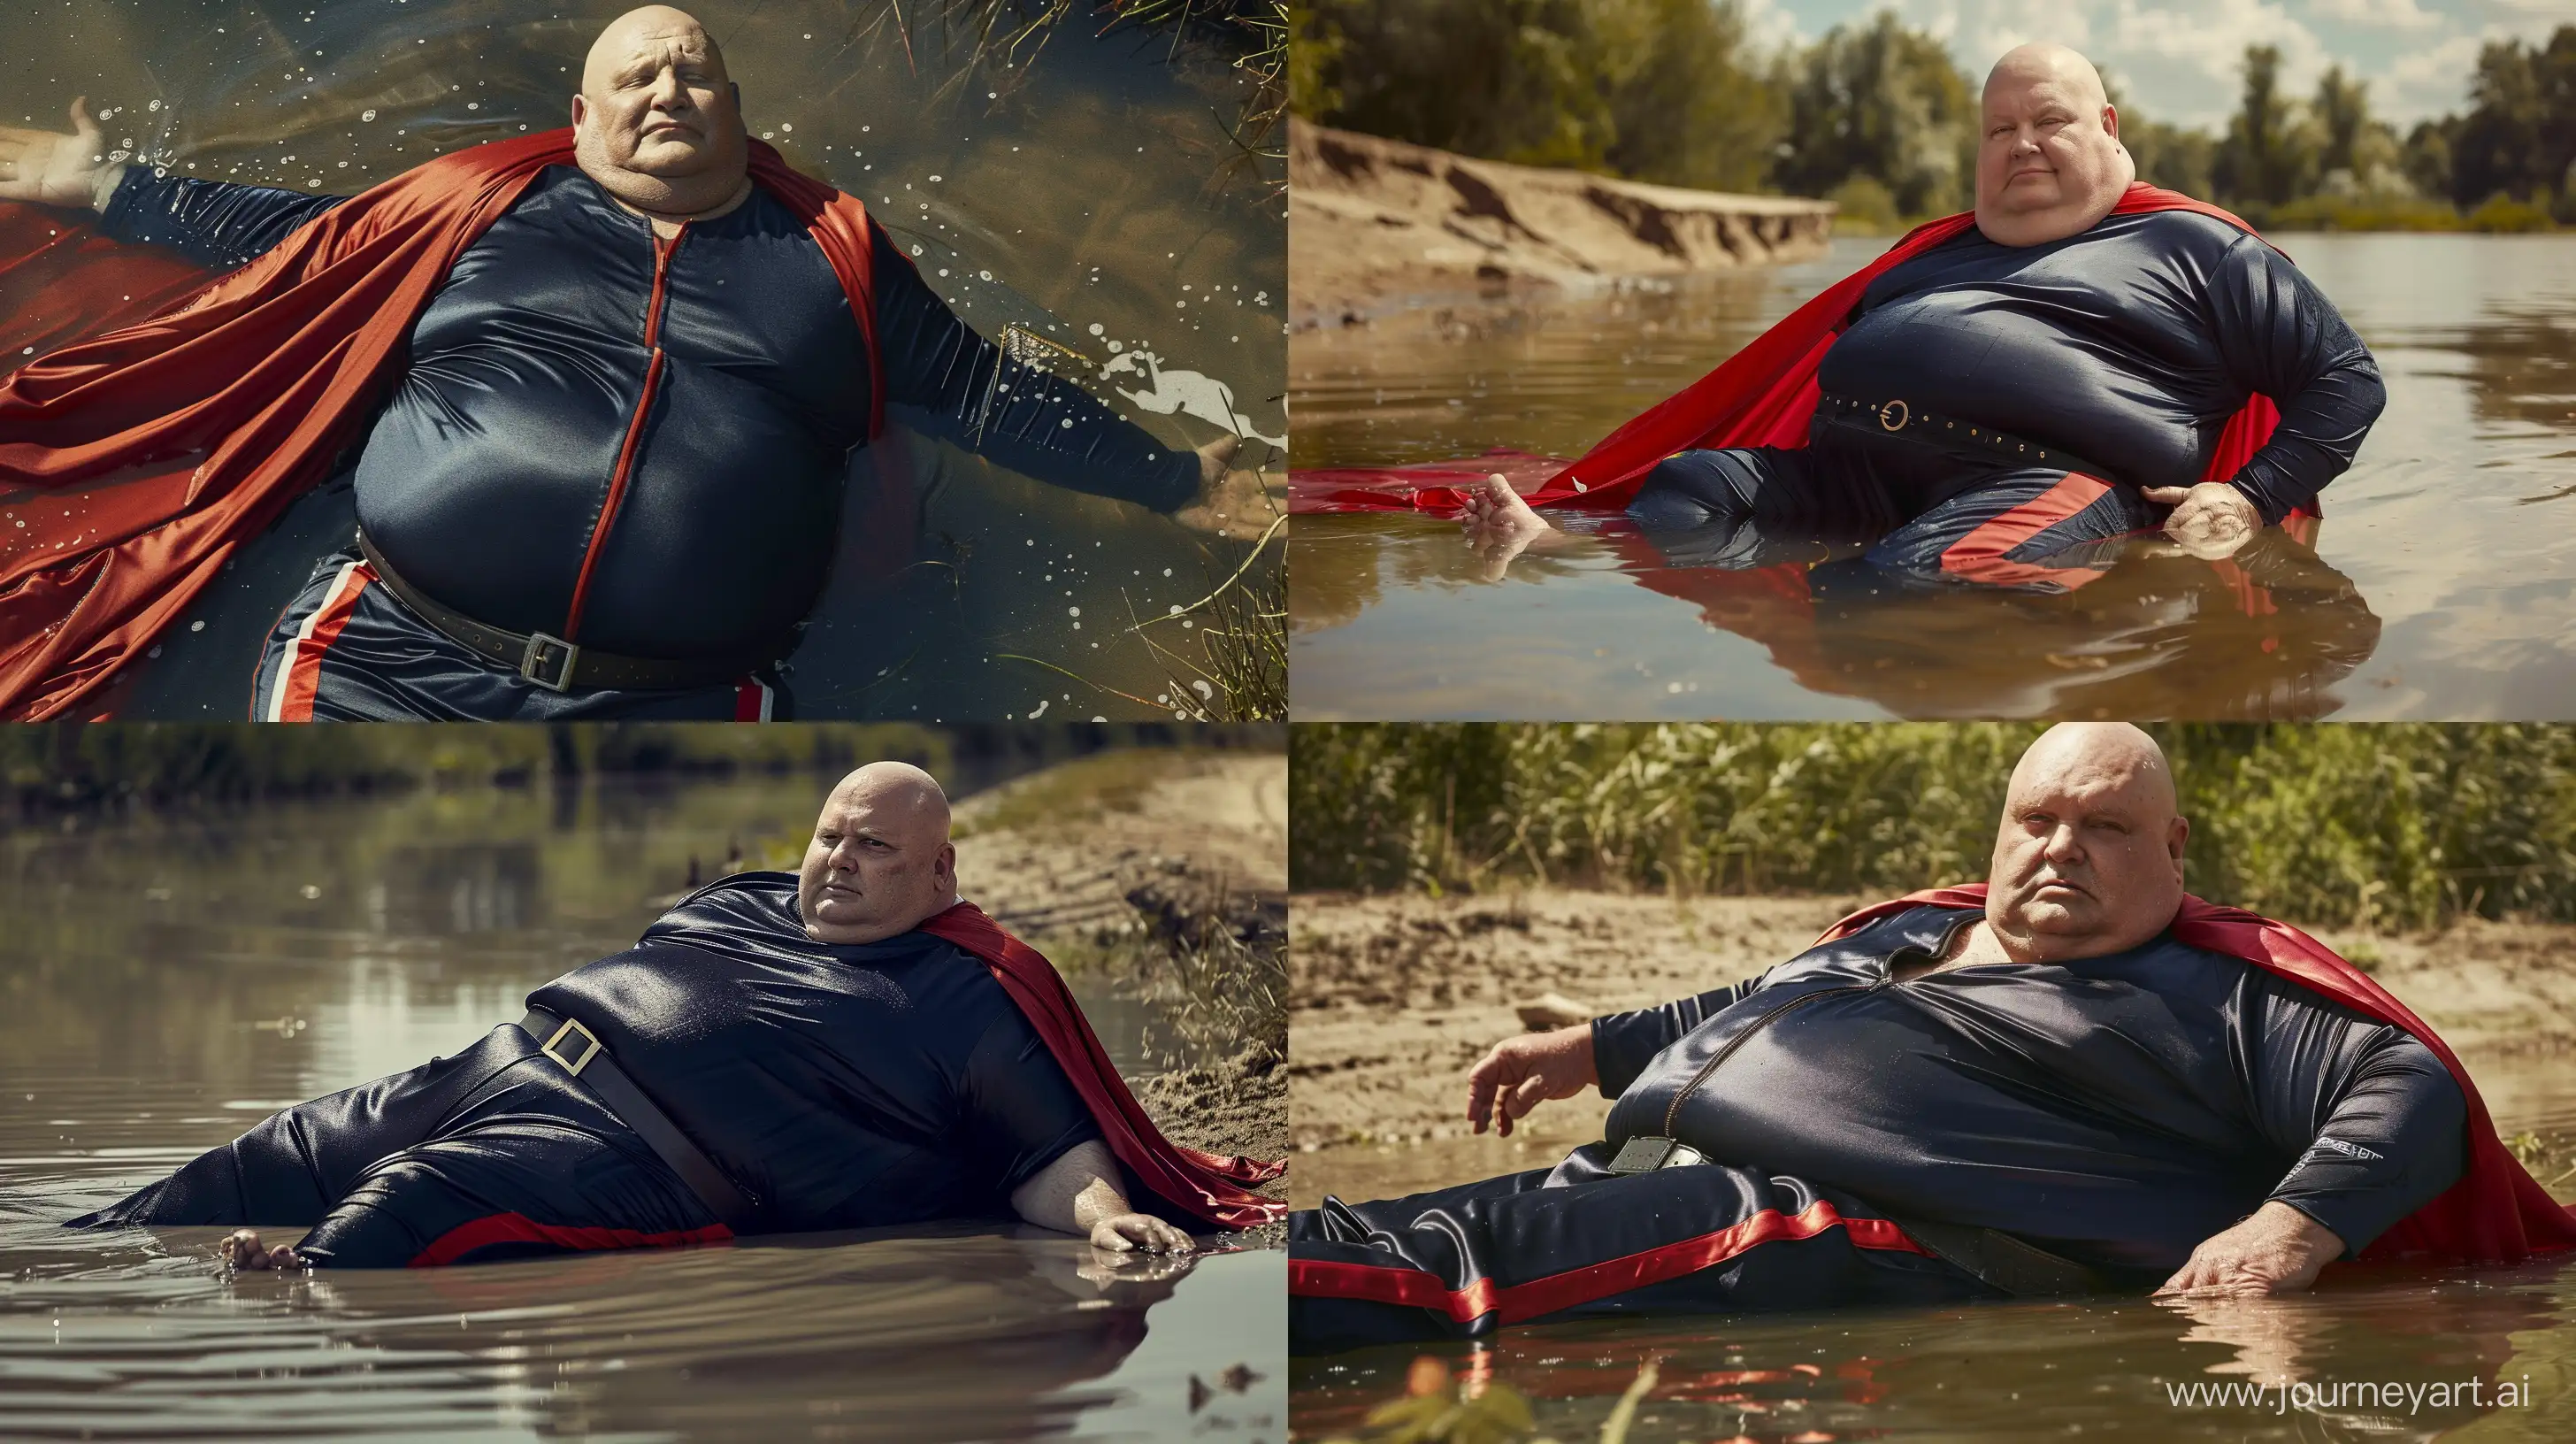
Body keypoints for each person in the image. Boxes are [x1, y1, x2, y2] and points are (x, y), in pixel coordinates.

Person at [0, 6, 1274, 721]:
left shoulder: (831, 256)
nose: (668, 86)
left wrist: (1170, 480)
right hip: (382, 662)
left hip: (678, 707)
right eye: (636, 74)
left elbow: (987, 389)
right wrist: (105, 183)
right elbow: (293, 245)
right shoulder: (472, 213)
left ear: (736, 111)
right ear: (583, 120)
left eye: (694, 69)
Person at [1287, 724, 2576, 1353]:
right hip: (1645, 1172)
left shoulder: (2216, 994)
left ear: (2174, 849)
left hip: (1834, 1222)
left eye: (2106, 829)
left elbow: (2402, 1080)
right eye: (2038, 820)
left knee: (1453, 1281)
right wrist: (1593, 1048)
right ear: (2001, 825)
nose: (2062, 847)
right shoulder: (1915, 926)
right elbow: (1756, 1004)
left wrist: (2286, 1231)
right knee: (1385, 1237)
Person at [70, 761, 1283, 1268]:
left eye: (877, 849)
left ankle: (288, 1286)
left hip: (627, 1160)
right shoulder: (748, 896)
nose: (843, 861)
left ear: (940, 877)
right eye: (833, 836)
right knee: (240, 1165)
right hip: (495, 1060)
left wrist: (1112, 1223)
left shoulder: (965, 995)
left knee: (398, 1211)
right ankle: (71, 1244)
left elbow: (1047, 1156)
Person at [1307, 43, 2384, 588]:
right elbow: (1778, 385)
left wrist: (2243, 504)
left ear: (2107, 127)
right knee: (1685, 492)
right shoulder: (1932, 252)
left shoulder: (2200, 248)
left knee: (1907, 589)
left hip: (2050, 482)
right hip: (1853, 476)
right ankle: (1557, 543)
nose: (2019, 144)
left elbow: (2344, 381)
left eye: (2047, 121)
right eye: (1997, 128)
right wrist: (1581, 515)